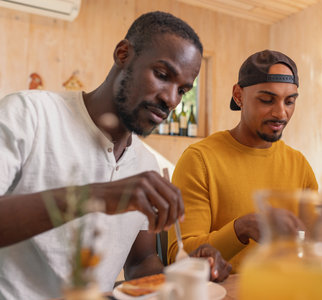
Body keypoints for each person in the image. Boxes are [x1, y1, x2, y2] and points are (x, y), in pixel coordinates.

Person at [0, 11, 230, 299]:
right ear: (123, 54)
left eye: (182, 90)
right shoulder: (30, 114)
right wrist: (98, 196)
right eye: (162, 75)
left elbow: (140, 262)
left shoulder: (145, 163)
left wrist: (186, 275)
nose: (171, 100)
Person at [167, 50, 322, 271]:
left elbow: (321, 242)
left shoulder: (298, 163)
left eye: (289, 101)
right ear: (238, 96)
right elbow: (179, 256)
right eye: (267, 100)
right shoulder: (199, 160)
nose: (281, 113)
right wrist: (240, 229)